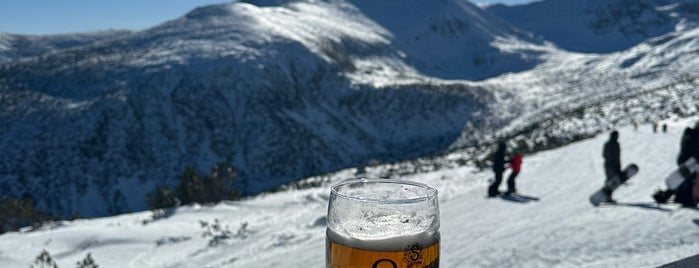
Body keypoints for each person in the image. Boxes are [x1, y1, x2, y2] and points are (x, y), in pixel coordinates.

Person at [654, 122, 699, 206]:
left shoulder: (689, 134)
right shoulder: (693, 136)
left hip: (685, 159)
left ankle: (677, 196)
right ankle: (686, 198)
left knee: (682, 178)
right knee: (689, 179)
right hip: (690, 160)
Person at [602, 130, 622, 203]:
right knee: (612, 181)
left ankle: (607, 196)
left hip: (608, 164)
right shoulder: (615, 144)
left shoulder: (608, 144)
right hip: (612, 165)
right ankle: (608, 196)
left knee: (610, 180)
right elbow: (616, 157)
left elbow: (604, 154)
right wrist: (617, 166)